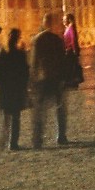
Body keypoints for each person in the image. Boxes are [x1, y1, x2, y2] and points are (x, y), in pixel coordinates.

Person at [30, 13, 69, 147]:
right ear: (52, 24)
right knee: (60, 109)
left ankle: (37, 138)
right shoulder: (57, 40)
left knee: (40, 110)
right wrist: (64, 77)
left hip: (42, 79)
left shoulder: (37, 40)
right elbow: (62, 60)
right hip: (56, 78)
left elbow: (34, 61)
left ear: (44, 23)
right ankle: (61, 135)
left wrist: (32, 78)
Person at [0, 28, 29, 152]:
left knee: (5, 116)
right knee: (16, 117)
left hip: (4, 89)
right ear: (18, 39)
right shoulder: (20, 55)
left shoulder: (1, 53)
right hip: (16, 89)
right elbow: (25, 73)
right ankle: (13, 143)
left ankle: (3, 141)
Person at [62, 12, 84, 88]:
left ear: (69, 20)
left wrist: (75, 51)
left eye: (65, 20)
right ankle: (71, 82)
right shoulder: (67, 28)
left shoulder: (71, 28)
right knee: (70, 67)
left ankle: (73, 82)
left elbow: (73, 39)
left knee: (72, 67)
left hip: (71, 51)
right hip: (68, 51)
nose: (63, 22)